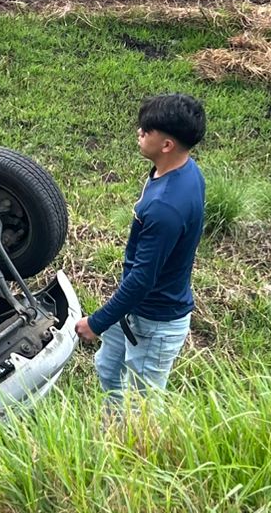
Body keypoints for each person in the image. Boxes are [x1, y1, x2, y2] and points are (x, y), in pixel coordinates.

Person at [75, 93, 206, 404]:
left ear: (167, 145)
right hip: (134, 310)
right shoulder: (184, 170)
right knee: (108, 369)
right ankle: (113, 434)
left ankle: (134, 449)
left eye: (147, 130)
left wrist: (96, 323)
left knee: (141, 405)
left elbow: (142, 280)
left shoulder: (165, 208)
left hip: (156, 321)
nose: (139, 132)